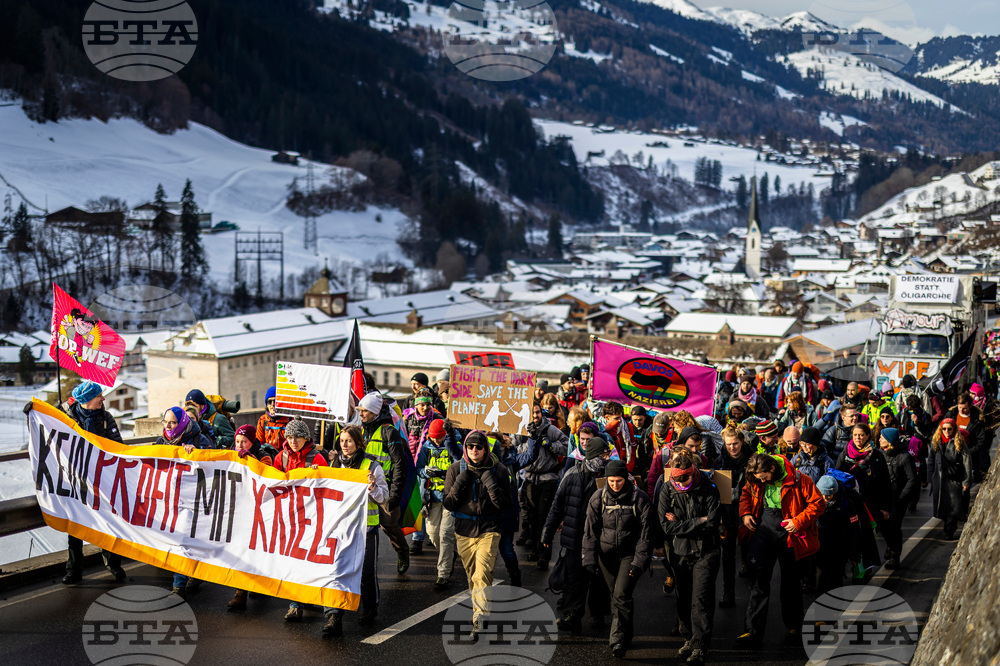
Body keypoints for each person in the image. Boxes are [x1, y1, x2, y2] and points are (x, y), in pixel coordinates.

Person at [736, 453, 824, 649]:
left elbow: (818, 503)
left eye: (764, 478)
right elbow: (746, 493)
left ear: (773, 469)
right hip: (764, 529)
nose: (761, 481)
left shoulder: (802, 479)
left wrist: (798, 521)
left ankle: (794, 626)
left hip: (789, 533)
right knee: (759, 580)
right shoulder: (755, 476)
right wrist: (746, 513)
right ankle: (752, 631)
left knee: (791, 582)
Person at [320, 425, 388, 636]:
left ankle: (370, 606)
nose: (345, 445)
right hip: (340, 529)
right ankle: (334, 615)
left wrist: (373, 488)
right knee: (336, 571)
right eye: (342, 441)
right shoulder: (335, 464)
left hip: (365, 530)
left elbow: (384, 496)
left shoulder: (372, 466)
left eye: (349, 441)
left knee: (365, 572)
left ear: (359, 443)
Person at [443, 431, 512, 639]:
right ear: (465, 448)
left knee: (482, 572)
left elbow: (506, 505)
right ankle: (480, 611)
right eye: (470, 446)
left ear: (486, 449)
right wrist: (460, 483)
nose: (474, 450)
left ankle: (479, 619)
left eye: (479, 447)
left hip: (490, 528)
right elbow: (448, 503)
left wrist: (491, 485)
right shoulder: (456, 469)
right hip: (464, 529)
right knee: (473, 575)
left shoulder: (499, 469)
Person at [582, 459, 653, 659]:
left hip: (629, 555)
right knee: (616, 595)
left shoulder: (640, 499)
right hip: (606, 555)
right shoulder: (598, 498)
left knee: (621, 594)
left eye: (619, 481)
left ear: (626, 478)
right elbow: (590, 531)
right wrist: (589, 559)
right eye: (611, 481)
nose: (615, 485)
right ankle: (625, 634)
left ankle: (617, 640)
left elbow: (645, 535)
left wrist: (640, 561)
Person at [542, 435, 612, 633]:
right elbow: (557, 507)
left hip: (600, 539)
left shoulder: (609, 477)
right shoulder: (572, 475)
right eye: (603, 454)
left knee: (599, 579)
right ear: (593, 455)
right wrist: (546, 535)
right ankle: (573, 616)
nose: (607, 457)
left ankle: (598, 615)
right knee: (575, 580)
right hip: (575, 539)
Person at [659, 449, 722, 666]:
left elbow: (713, 524)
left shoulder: (709, 486)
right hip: (680, 552)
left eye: (684, 478)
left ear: (693, 472)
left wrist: (681, 524)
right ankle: (687, 637)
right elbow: (666, 526)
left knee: (701, 600)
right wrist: (699, 520)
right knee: (683, 597)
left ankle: (700, 647)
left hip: (707, 551)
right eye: (676, 479)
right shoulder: (668, 488)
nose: (681, 484)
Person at [62, 381, 126, 585]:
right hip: (76, 481)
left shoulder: (106, 418)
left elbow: (118, 447)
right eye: (99, 396)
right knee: (75, 526)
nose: (103, 399)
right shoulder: (66, 418)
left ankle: (113, 564)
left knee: (107, 523)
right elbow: (46, 428)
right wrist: (33, 411)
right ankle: (74, 570)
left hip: (101, 482)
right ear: (87, 400)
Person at [157, 406, 213, 597]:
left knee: (186, 540)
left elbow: (212, 462)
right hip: (171, 498)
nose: (169, 426)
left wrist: (197, 453)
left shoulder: (199, 439)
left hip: (193, 499)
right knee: (178, 540)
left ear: (181, 423)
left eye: (172, 422)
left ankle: (181, 582)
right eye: (166, 422)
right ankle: (185, 579)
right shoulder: (161, 441)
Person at [358, 390, 412, 574]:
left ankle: (402, 551)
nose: (360, 414)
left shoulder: (389, 432)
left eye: (364, 410)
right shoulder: (361, 430)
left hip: (385, 490)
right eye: (359, 410)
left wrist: (395, 495)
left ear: (374, 412)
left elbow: (399, 465)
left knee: (389, 525)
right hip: (364, 490)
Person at [226, 425, 274, 611]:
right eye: (237, 442)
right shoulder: (232, 455)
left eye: (244, 441)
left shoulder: (263, 456)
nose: (239, 445)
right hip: (239, 509)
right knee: (242, 550)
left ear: (252, 442)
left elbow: (266, 476)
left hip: (259, 510)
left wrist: (250, 460)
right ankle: (240, 593)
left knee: (257, 550)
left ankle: (258, 582)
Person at [515, 402, 568, 563]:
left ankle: (544, 555)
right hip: (529, 478)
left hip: (548, 479)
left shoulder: (550, 429)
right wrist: (531, 441)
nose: (535, 416)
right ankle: (534, 550)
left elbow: (567, 446)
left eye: (537, 412)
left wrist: (551, 445)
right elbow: (514, 448)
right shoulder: (520, 431)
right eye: (532, 414)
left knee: (544, 518)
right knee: (531, 517)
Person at [415, 419, 462, 590]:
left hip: (451, 497)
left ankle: (443, 574)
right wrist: (425, 471)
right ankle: (451, 555)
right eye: (434, 438)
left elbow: (461, 463)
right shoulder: (426, 448)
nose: (436, 440)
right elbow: (418, 468)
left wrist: (446, 473)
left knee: (445, 535)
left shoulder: (454, 444)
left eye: (439, 437)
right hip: (432, 497)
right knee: (433, 533)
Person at [714, 427, 752, 609]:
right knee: (728, 556)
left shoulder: (752, 461)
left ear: (742, 442)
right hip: (728, 512)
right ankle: (728, 593)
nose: (732, 447)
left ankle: (755, 593)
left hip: (749, 512)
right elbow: (717, 493)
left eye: (735, 443)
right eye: (728, 444)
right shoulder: (720, 461)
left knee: (751, 552)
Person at [813, 475, 864, 595]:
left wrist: (855, 555)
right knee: (820, 580)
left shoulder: (846, 504)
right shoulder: (813, 502)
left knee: (836, 580)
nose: (826, 498)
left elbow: (854, 530)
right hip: (819, 549)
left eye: (828, 495)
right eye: (823, 494)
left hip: (839, 549)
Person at [878, 427, 917, 569]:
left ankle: (895, 555)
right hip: (883, 498)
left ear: (889, 441)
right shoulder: (880, 454)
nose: (879, 440)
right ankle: (890, 544)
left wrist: (902, 497)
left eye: (882, 437)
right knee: (882, 525)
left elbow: (912, 479)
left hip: (898, 498)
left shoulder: (904, 457)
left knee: (894, 526)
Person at [927, 418, 973, 541]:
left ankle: (949, 530)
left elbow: (967, 462)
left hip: (954, 479)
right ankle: (948, 526)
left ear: (954, 429)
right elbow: (931, 461)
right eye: (944, 429)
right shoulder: (936, 442)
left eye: (949, 429)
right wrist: (930, 477)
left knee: (953, 507)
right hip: (939, 479)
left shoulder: (960, 443)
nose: (946, 431)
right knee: (942, 507)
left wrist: (966, 481)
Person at [945, 392, 987, 481]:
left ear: (970, 406)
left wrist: (969, 451)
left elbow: (981, 440)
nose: (961, 410)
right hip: (952, 453)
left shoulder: (977, 420)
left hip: (969, 454)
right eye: (959, 407)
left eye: (964, 408)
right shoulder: (951, 414)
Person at [255, 386, 290, 451]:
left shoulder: (290, 420)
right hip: (268, 456)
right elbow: (259, 442)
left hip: (285, 457)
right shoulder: (263, 420)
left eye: (276, 401)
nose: (272, 404)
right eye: (269, 401)